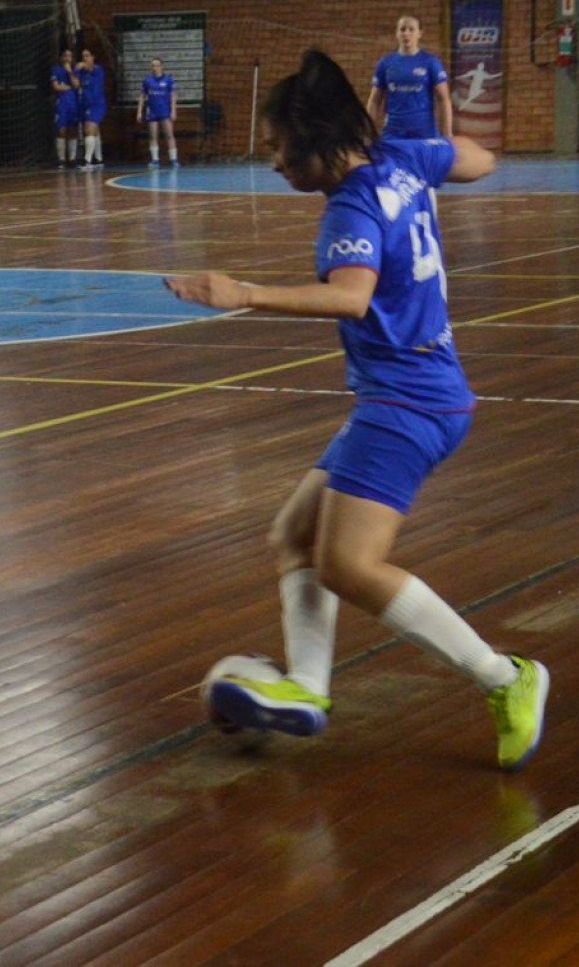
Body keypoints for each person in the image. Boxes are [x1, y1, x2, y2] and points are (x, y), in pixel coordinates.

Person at [166, 49, 547, 772]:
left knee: (347, 564)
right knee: (293, 535)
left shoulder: (351, 205)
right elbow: (481, 160)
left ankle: (507, 677)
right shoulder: (401, 159)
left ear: (313, 138)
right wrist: (432, 154)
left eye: (278, 146)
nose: (272, 161)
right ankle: (308, 689)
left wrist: (241, 292)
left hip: (408, 403)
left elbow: (350, 296)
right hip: (416, 392)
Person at [367, 14, 452, 140]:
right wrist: (368, 133)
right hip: (394, 135)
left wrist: (447, 134)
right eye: (402, 29)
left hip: (425, 134)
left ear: (420, 33)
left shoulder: (431, 62)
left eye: (411, 29)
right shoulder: (385, 63)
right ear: (397, 33)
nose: (406, 33)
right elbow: (374, 100)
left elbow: (443, 99)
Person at [138, 57, 179, 167]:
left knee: (169, 135)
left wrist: (173, 111)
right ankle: (155, 160)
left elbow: (173, 96)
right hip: (153, 112)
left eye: (156, 65)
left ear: (161, 66)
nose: (154, 68)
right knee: (153, 136)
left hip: (165, 112)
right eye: (152, 65)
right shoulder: (148, 81)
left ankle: (174, 159)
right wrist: (139, 112)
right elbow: (142, 96)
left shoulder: (168, 80)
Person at [77, 48, 109, 167]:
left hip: (97, 104)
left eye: (87, 56)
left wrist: (81, 66)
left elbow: (90, 67)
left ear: (92, 57)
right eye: (83, 56)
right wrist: (73, 71)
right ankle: (99, 159)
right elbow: (75, 84)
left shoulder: (98, 70)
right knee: (95, 131)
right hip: (86, 105)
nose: (85, 59)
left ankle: (87, 160)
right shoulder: (82, 73)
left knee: (89, 129)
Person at [51, 47, 82, 168]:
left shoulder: (75, 70)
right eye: (65, 55)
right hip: (62, 103)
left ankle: (73, 159)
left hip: (73, 103)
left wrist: (70, 72)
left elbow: (76, 85)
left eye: (70, 56)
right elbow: (56, 87)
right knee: (61, 130)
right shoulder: (56, 70)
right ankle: (61, 159)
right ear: (61, 57)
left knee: (73, 130)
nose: (67, 58)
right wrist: (68, 87)